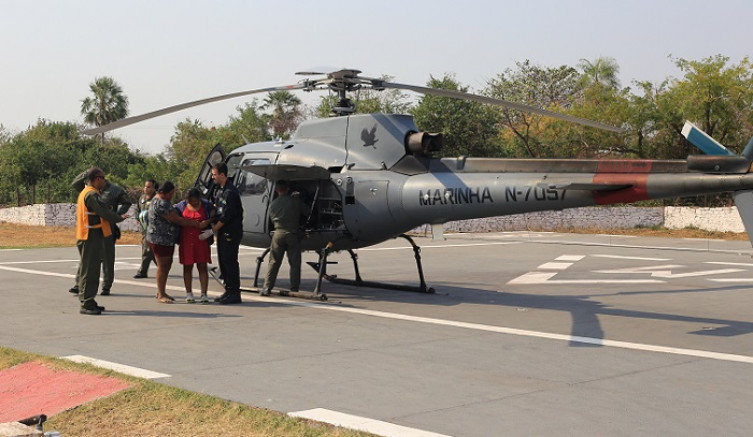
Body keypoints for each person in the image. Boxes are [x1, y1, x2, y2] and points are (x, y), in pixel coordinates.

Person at [69, 170, 132, 296]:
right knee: (87, 259)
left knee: (108, 258)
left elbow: (127, 202)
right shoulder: (89, 190)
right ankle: (79, 284)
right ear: (96, 179)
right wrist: (87, 172)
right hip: (93, 230)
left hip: (108, 227)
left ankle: (106, 286)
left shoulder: (115, 190)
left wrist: (117, 215)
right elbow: (75, 184)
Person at [147, 182, 210, 303]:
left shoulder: (156, 199)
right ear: (167, 193)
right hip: (161, 240)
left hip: (162, 239)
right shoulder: (162, 204)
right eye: (171, 193)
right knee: (163, 266)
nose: (172, 196)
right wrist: (196, 224)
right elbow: (177, 219)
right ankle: (161, 294)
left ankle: (161, 291)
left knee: (166, 265)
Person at [262, 180, 306, 296]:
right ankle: (294, 288)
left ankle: (267, 287)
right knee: (295, 263)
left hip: (278, 233)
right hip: (292, 233)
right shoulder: (295, 202)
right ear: (288, 189)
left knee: (273, 262)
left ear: (276, 190)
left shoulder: (273, 204)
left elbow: (271, 219)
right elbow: (307, 211)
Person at [210, 163, 244, 304]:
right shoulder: (219, 190)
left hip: (230, 232)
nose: (213, 177)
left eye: (214, 175)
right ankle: (228, 290)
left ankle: (235, 292)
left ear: (222, 175)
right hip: (222, 233)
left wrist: (212, 230)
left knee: (230, 262)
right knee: (223, 261)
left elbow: (226, 217)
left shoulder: (230, 192)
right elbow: (216, 208)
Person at [175, 188, 215, 303]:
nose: (194, 203)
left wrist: (207, 222)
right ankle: (189, 293)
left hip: (201, 239)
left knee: (202, 267)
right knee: (187, 267)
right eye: (191, 202)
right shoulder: (180, 207)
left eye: (196, 201)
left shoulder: (207, 205)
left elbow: (215, 214)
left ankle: (204, 294)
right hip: (186, 240)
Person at [134, 179, 158, 279]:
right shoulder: (142, 198)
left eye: (148, 187)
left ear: (153, 188)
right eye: (145, 186)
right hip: (144, 228)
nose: (146, 189)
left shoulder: (156, 199)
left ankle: (142, 271)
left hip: (153, 229)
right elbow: (137, 209)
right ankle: (162, 266)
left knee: (147, 250)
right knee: (151, 250)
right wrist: (137, 217)